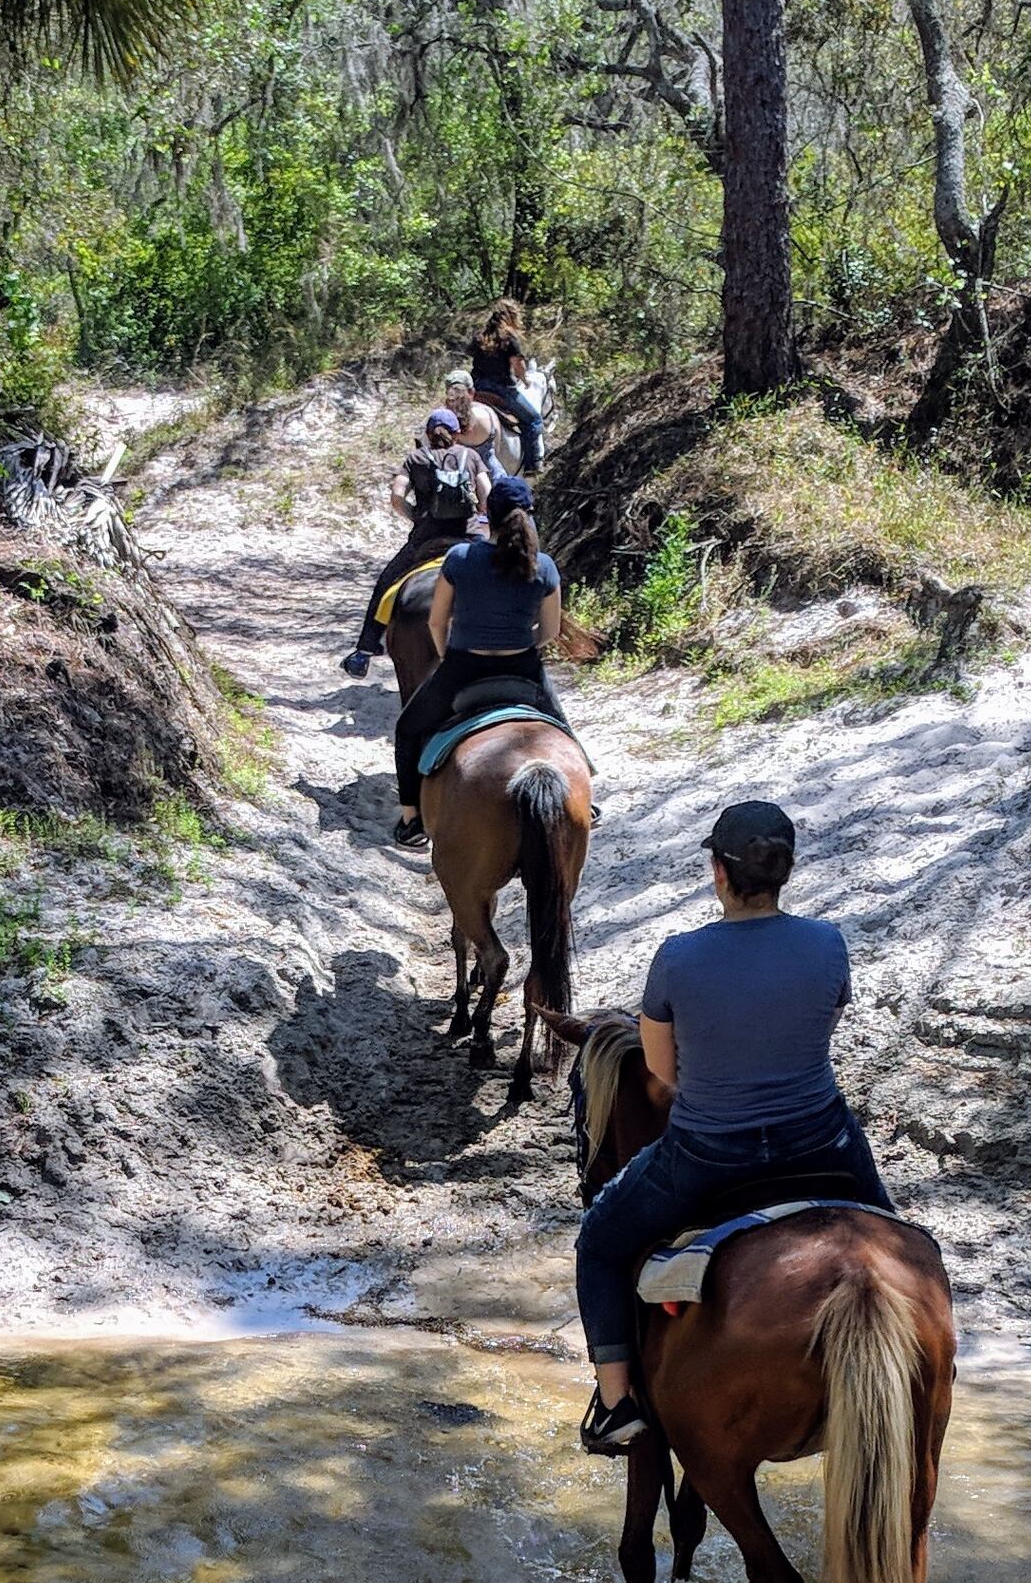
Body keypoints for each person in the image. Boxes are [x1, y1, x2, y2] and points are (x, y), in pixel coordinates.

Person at [569, 800, 892, 1453]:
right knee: (904, 1243)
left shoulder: (679, 957)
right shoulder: (829, 945)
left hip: (711, 1153)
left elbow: (661, 1071)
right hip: (822, 1141)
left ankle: (616, 1406)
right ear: (786, 872)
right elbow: (814, 1036)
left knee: (599, 1243)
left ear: (718, 872)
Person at [389, 474, 573, 851]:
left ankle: (411, 819)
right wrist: (523, 646)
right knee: (564, 732)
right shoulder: (545, 566)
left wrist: (447, 656)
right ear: (529, 515)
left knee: (408, 730)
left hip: (464, 666)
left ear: (487, 512)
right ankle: (585, 798)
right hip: (522, 667)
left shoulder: (459, 558)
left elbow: (436, 621)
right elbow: (551, 631)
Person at [348, 409, 495, 676]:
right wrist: (482, 511)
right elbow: (488, 492)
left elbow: (396, 496)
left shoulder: (415, 458)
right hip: (469, 537)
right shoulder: (471, 456)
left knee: (386, 583)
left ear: (428, 435)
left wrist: (414, 515)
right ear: (456, 434)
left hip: (427, 539)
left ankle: (364, 651)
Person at [472, 301, 545, 474]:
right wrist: (524, 379)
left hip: (477, 387)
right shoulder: (509, 338)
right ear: (511, 316)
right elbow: (517, 365)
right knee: (534, 420)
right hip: (501, 388)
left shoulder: (480, 336)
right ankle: (532, 465)